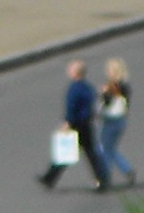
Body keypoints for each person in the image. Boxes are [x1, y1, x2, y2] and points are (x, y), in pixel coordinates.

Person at [40, 57, 110, 191]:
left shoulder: (74, 88)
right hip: (86, 124)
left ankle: (49, 178)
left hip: (76, 124)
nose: (68, 71)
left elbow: (71, 107)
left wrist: (67, 122)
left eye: (70, 69)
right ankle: (101, 179)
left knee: (65, 151)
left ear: (75, 72)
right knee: (89, 153)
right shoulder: (88, 87)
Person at [98, 56, 135, 185]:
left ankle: (106, 177)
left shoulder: (113, 87)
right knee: (110, 148)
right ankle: (127, 170)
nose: (107, 72)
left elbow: (107, 102)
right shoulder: (125, 86)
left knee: (104, 149)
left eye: (109, 70)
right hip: (121, 121)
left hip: (111, 121)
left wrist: (103, 93)